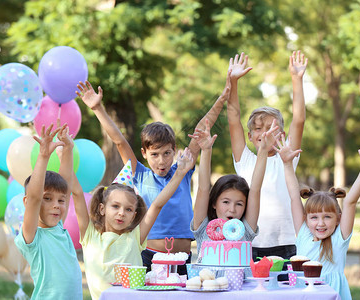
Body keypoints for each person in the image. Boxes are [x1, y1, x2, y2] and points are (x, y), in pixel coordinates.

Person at [76, 73, 231, 274]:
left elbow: (200, 130)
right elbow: (119, 141)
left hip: (183, 258)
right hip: (149, 257)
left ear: (174, 151)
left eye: (167, 153)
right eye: (155, 154)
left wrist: (221, 99)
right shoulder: (139, 174)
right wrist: (98, 108)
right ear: (144, 154)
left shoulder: (182, 169)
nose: (161, 160)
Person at [71, 148, 193, 299]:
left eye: (128, 209)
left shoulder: (135, 237)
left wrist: (180, 173)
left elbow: (157, 205)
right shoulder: (90, 235)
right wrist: (66, 154)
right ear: (102, 208)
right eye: (115, 206)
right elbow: (76, 193)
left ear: (134, 215)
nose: (121, 213)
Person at [277, 137, 360, 300]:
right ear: (306, 219)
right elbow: (294, 196)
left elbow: (350, 202)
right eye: (314, 217)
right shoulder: (303, 234)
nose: (320, 223)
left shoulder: (339, 238)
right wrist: (287, 165)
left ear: (338, 219)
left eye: (327, 217)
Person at [226, 51, 308, 260]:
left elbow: (298, 119)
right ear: (250, 136)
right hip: (251, 243)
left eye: (271, 128)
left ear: (281, 134)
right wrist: (232, 82)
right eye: (259, 128)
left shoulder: (287, 156)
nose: (265, 133)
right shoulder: (245, 160)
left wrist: (296, 79)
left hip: (289, 243)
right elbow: (233, 119)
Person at [190, 118, 278, 265]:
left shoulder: (245, 231)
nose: (232, 209)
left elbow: (255, 190)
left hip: (241, 288)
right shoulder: (203, 228)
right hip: (209, 286)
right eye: (225, 202)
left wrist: (262, 151)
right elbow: (203, 188)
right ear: (214, 203)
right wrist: (206, 150)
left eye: (239, 204)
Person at [14, 124, 83, 300]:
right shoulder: (32, 238)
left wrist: (67, 149)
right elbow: (35, 198)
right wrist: (44, 155)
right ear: (28, 202)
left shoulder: (59, 227)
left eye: (61, 201)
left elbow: (66, 184)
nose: (56, 205)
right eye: (48, 198)